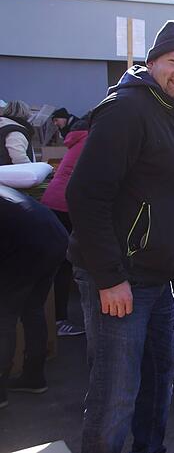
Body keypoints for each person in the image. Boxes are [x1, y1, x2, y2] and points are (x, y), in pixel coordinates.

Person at [66, 20, 174, 453]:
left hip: (156, 275)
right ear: (153, 62)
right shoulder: (127, 110)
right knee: (116, 392)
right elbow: (85, 197)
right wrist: (109, 278)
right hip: (119, 277)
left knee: (162, 375)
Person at [0, 185, 69, 409]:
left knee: (4, 317)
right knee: (32, 308)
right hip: (54, 237)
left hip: (30, 245)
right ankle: (33, 376)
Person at [40, 118, 90, 337]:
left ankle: (55, 319)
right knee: (68, 263)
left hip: (54, 202)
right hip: (68, 205)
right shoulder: (94, 139)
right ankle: (59, 320)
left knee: (62, 264)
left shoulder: (80, 138)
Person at [0, 100, 35, 165]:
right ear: (25, 113)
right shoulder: (15, 131)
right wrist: (34, 170)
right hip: (11, 173)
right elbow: (19, 158)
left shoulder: (3, 125)